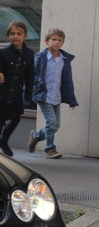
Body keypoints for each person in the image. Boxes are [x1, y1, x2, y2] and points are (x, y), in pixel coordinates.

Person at [27, 28, 78, 159]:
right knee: (52, 123)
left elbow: (67, 80)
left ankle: (36, 136)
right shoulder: (40, 57)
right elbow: (31, 76)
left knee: (56, 125)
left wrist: (71, 99)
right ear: (46, 41)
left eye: (60, 40)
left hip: (56, 96)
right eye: (54, 39)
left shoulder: (64, 59)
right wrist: (29, 92)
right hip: (43, 95)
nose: (57, 42)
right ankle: (50, 149)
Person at [0, 21, 34, 156]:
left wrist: (28, 97)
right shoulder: (3, 53)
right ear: (8, 36)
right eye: (12, 34)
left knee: (16, 118)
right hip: (2, 92)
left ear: (25, 36)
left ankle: (4, 141)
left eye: (19, 34)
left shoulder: (29, 54)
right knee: (0, 120)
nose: (15, 36)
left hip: (16, 94)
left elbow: (30, 76)